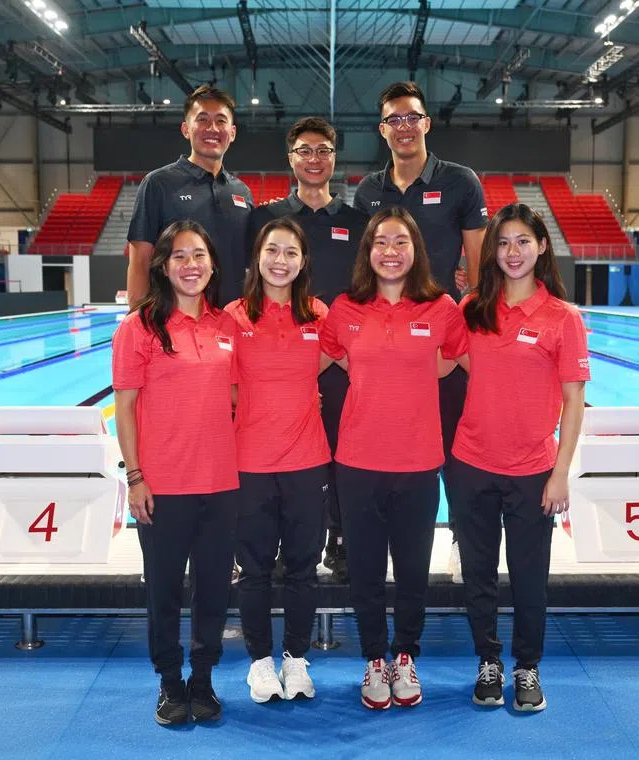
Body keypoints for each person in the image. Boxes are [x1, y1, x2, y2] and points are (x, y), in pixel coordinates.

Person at [320, 207, 468, 710]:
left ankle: (405, 655)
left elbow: (454, 362)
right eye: (380, 242)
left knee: (410, 570)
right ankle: (374, 660)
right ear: (368, 251)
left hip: (419, 461)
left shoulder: (442, 308)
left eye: (400, 241)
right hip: (357, 461)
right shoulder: (345, 309)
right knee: (364, 570)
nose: (389, 250)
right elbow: (328, 356)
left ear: (415, 250)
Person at [448, 203, 589, 712]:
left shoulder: (562, 318)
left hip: (533, 471)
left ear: (542, 247)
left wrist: (560, 474)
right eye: (503, 242)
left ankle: (527, 666)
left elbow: (574, 399)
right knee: (479, 573)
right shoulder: (473, 309)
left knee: (530, 578)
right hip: (470, 465)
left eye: (522, 242)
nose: (512, 252)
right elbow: (450, 361)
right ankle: (488, 661)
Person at [352, 81, 488, 582]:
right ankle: (391, 544)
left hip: (443, 333)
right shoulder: (369, 191)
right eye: (394, 119)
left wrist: (467, 303)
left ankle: (460, 539)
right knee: (390, 442)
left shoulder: (459, 181)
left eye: (412, 117)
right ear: (382, 129)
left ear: (426, 123)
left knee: (455, 445)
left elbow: (477, 261)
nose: (404, 127)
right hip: (388, 341)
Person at [112, 220, 240, 726]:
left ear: (212, 264)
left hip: (222, 482)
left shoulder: (226, 326)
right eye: (180, 257)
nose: (191, 265)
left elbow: (236, 396)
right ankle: (169, 681)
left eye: (200, 256)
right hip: (163, 485)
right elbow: (124, 409)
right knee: (163, 590)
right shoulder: (139, 327)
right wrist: (136, 475)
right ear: (163, 266)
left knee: (212, 589)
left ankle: (203, 680)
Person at [246, 116, 368, 580]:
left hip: (341, 357)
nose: (314, 159)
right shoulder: (266, 218)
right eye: (304, 150)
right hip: (283, 358)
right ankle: (280, 542)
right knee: (283, 453)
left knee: (341, 450)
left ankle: (338, 538)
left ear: (335, 158)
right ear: (290, 158)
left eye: (323, 150)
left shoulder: (357, 222)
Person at [226, 217, 340, 703]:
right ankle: (259, 662)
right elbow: (227, 387)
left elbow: (339, 360)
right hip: (249, 463)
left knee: (302, 567)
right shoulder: (233, 316)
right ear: (258, 256)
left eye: (291, 252)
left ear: (303, 261)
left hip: (308, 461)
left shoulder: (319, 314)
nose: (280, 260)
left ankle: (295, 659)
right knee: (253, 570)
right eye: (273, 250)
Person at [126, 85, 254, 307]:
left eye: (221, 121)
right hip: (175, 323)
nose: (212, 128)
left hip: (231, 324)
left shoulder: (242, 192)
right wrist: (137, 322)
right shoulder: (158, 184)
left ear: (232, 133)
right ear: (186, 129)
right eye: (202, 119)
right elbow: (140, 261)